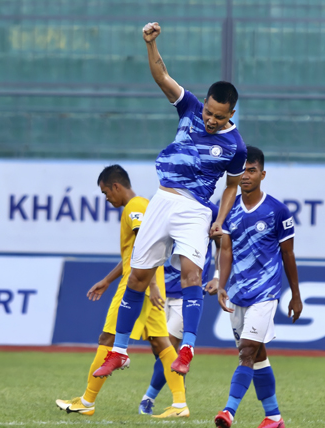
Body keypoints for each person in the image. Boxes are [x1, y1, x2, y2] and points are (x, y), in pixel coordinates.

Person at [95, 22, 247, 379]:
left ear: (231, 115)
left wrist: (220, 219)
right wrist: (150, 44)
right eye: (209, 112)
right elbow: (162, 76)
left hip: (194, 208)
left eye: (218, 116)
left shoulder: (235, 146)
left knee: (192, 274)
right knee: (137, 278)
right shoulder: (190, 106)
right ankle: (118, 351)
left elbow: (230, 186)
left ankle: (189, 349)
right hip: (162, 199)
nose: (210, 119)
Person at [56, 165, 189, 419]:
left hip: (137, 286)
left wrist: (148, 285)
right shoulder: (141, 205)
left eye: (106, 193)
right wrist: (106, 280)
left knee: (108, 339)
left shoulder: (135, 206)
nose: (107, 199)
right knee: (161, 343)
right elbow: (134, 254)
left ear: (116, 186)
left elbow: (145, 245)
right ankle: (180, 403)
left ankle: (87, 400)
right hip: (149, 282)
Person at [213, 146, 303, 428]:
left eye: (252, 170)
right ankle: (274, 417)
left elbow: (288, 254)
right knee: (258, 354)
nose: (247, 176)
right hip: (238, 293)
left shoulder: (277, 210)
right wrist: (221, 284)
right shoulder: (228, 208)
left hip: (265, 293)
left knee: (246, 353)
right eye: (243, 171)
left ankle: (228, 411)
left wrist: (296, 296)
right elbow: (225, 249)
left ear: (263, 174)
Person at [138, 201, 220, 415]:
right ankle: (178, 392)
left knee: (170, 346)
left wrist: (218, 276)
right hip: (159, 292)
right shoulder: (164, 204)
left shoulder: (209, 210)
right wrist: (153, 284)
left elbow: (223, 243)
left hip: (188, 293)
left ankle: (148, 399)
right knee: (160, 350)